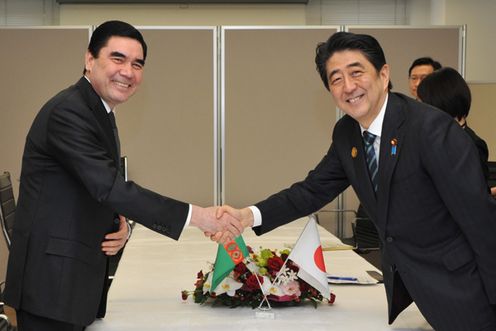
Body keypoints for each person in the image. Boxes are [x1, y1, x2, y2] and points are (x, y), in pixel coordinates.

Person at [216, 32, 496, 330]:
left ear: (384, 74)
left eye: (356, 72)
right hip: (420, 287)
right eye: (336, 79)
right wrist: (248, 216)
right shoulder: (347, 133)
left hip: (466, 287)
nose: (348, 87)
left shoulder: (430, 129)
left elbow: (479, 220)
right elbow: (311, 190)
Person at [4, 20, 241, 331]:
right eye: (118, 58)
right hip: (52, 287)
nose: (128, 72)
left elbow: (90, 185)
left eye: (137, 64)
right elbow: (109, 187)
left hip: (71, 281)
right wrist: (201, 217)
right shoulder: (69, 112)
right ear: (90, 60)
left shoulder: (97, 110)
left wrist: (121, 224)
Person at [417, 66, 489, 180]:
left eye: (423, 104)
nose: (419, 110)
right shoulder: (429, 138)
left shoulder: (472, 145)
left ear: (440, 102)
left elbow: (474, 193)